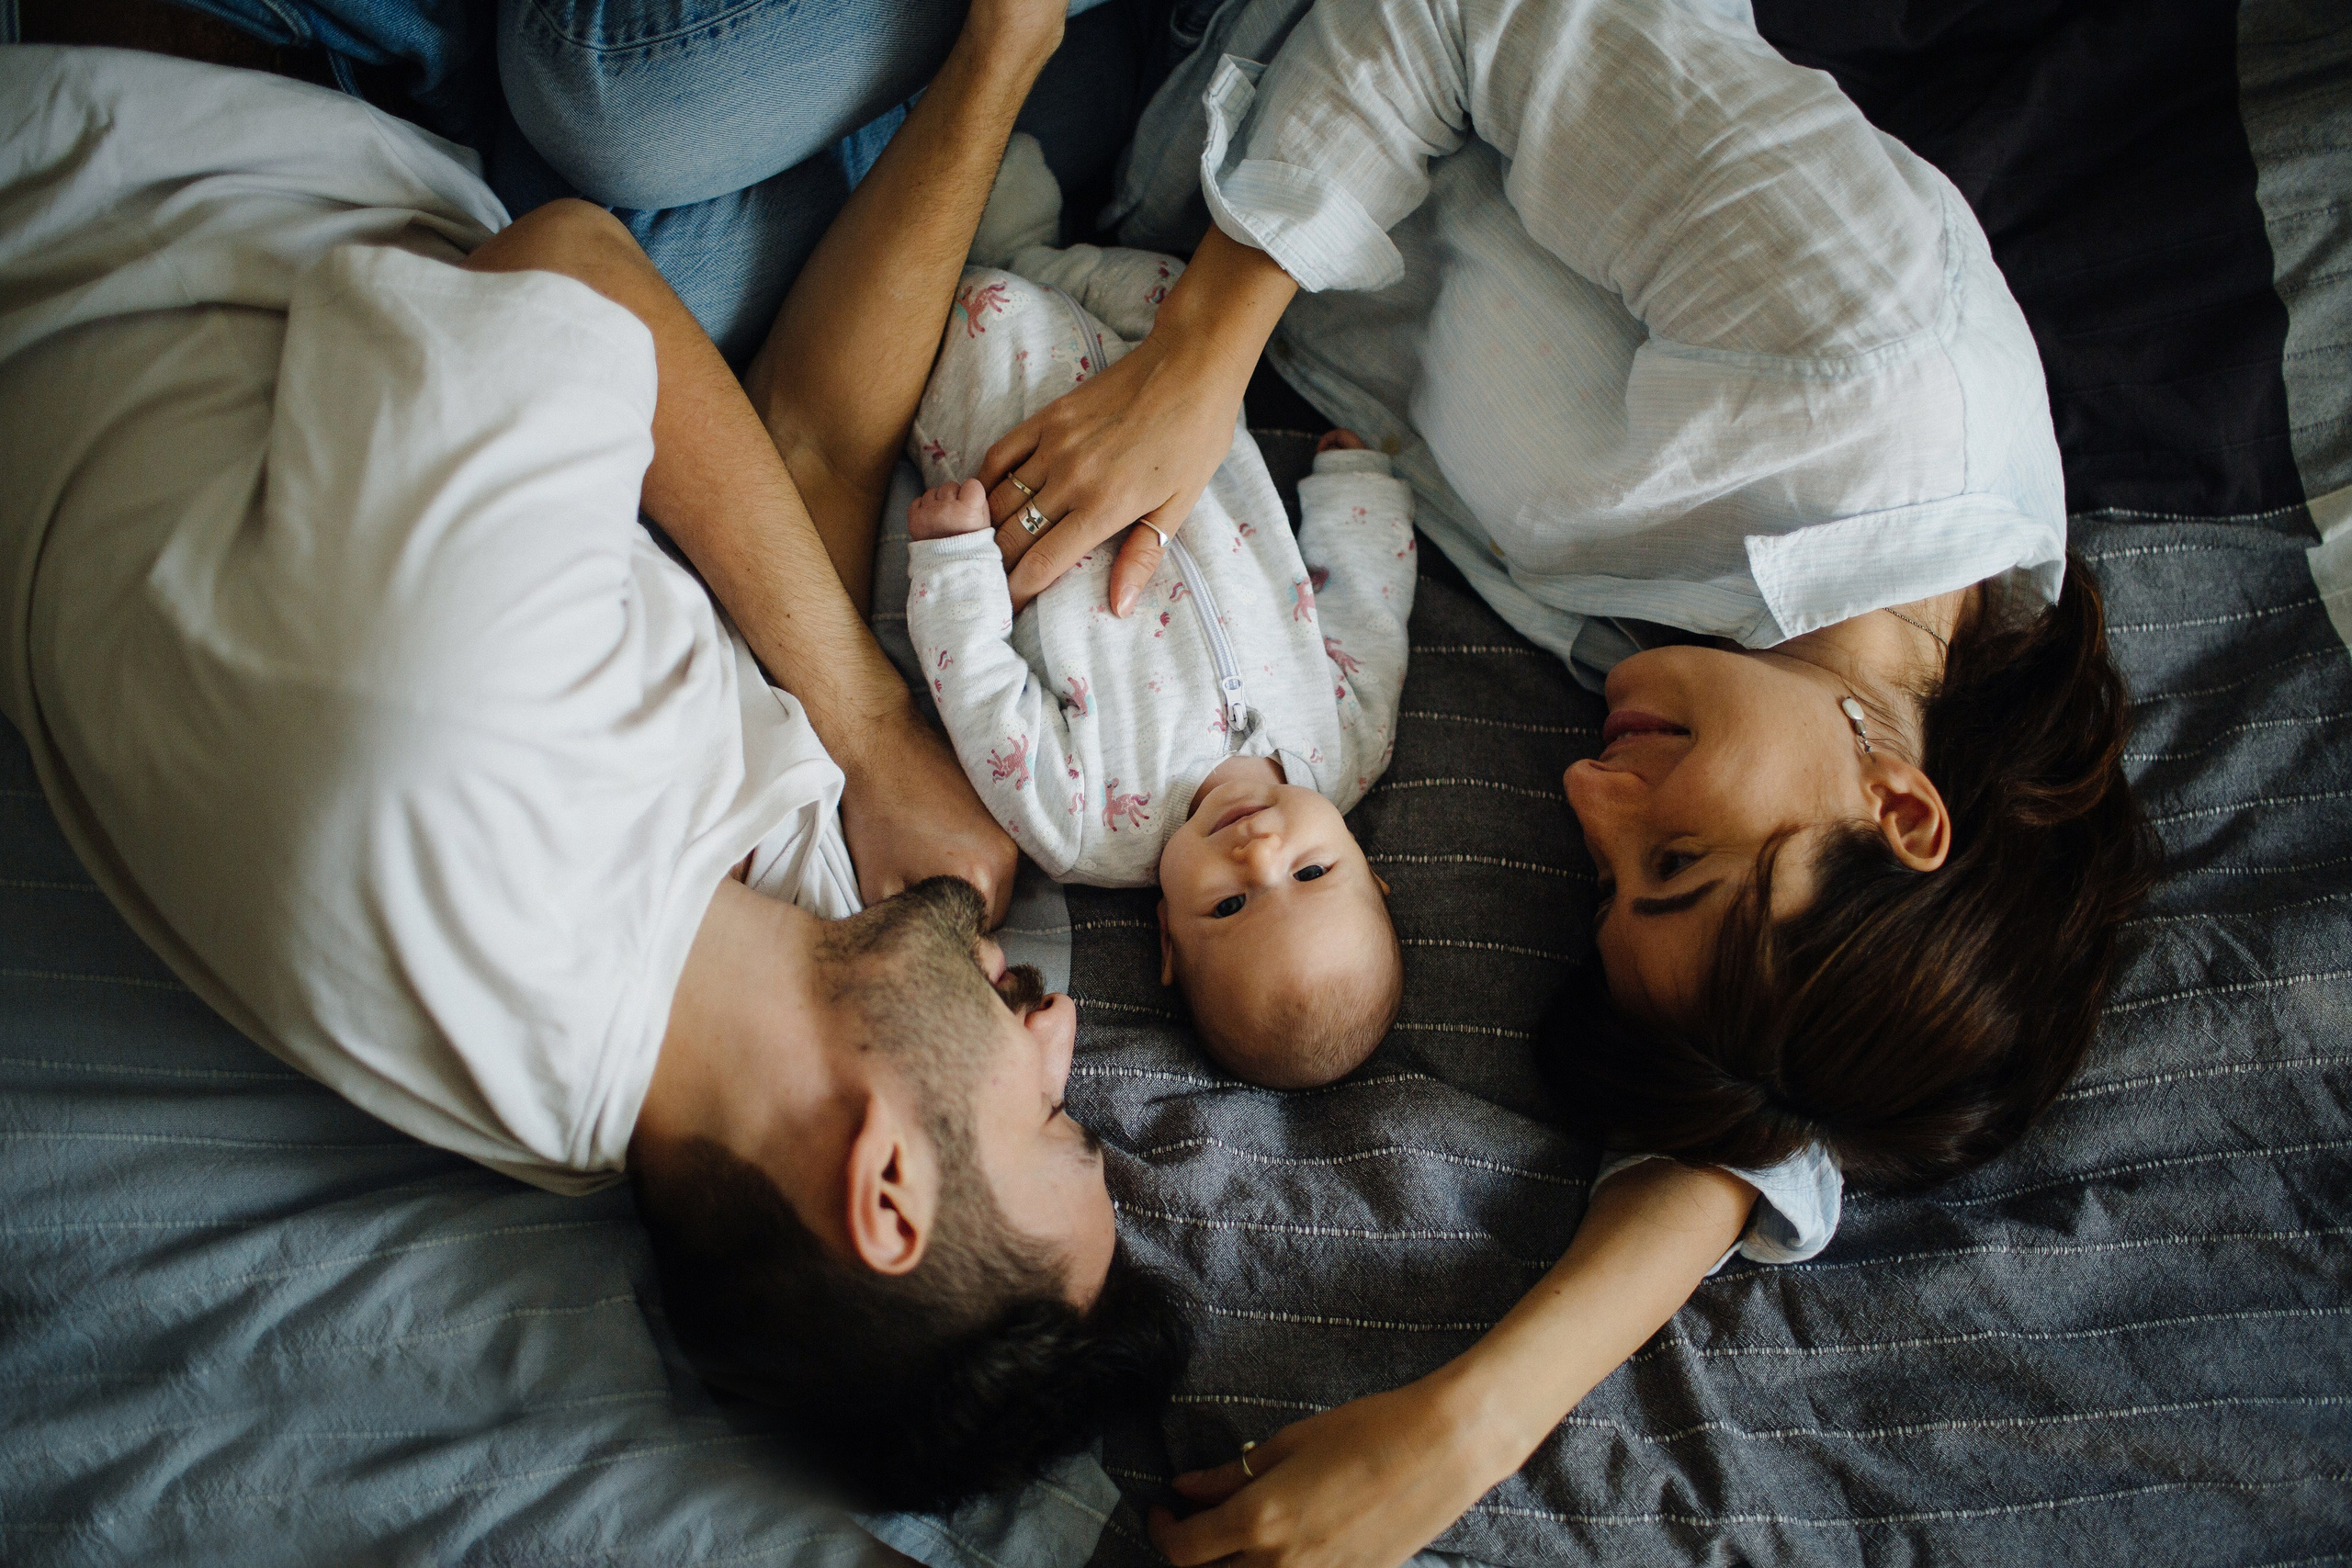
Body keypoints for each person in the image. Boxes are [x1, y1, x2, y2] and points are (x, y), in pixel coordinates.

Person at [955, 0, 2159, 1560]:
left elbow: (1758, 1121)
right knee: (615, 108)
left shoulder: (1848, 727)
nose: (1595, 800)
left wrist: (1462, 1427)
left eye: (1610, 882)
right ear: (1901, 809)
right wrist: (1202, 357)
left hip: (1123, 186)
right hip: (1234, 54)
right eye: (1675, 862)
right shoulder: (1868, 355)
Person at [0, 3, 1186, 1515]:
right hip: (398, 251)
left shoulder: (459, 757)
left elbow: (571, 266)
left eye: (1051, 1118)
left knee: (625, 96)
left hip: (230, 83)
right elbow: (807, 450)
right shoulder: (696, 1043)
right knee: (1086, 117)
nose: (1063, 1025)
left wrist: (874, 718)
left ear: (884, 1189)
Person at [903, 161, 1415, 1086]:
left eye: (1228, 908)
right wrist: (1358, 494)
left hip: (1000, 415)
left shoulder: (1085, 827)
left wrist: (951, 563)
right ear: (1369, 871)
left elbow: (979, 692)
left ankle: (968, 241)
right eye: (1310, 875)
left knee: (966, 304)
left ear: (1168, 943)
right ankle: (1029, 247)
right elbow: (1368, 607)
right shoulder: (1347, 746)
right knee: (1163, 288)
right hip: (1164, 376)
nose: (1259, 853)